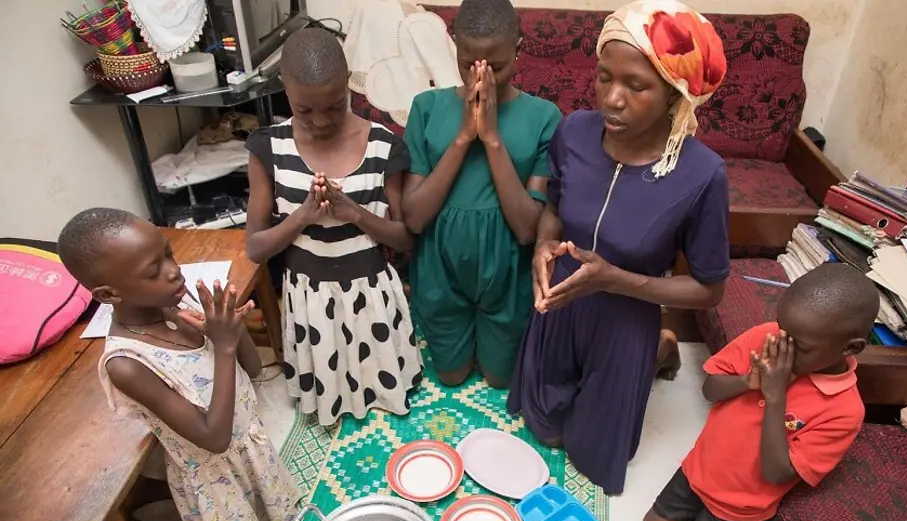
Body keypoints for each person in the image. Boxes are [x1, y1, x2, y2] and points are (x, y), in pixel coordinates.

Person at [507, 0, 730, 494]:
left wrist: (616, 280)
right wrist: (542, 248)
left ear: (675, 95)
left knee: (591, 453)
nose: (613, 99)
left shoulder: (702, 174)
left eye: (636, 86)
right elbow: (555, 210)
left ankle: (658, 349)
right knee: (547, 430)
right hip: (562, 302)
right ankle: (654, 352)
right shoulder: (574, 133)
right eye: (604, 77)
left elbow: (710, 290)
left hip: (627, 315)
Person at [57, 208, 301, 521]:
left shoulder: (171, 308)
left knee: (272, 516)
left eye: (168, 254)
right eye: (153, 271)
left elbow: (252, 371)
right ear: (108, 295)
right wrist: (221, 346)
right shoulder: (126, 364)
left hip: (247, 449)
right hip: (211, 470)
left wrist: (232, 330)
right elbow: (213, 438)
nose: (173, 271)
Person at [643, 263, 880, 521]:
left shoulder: (843, 411)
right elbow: (710, 389)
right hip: (700, 469)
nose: (782, 347)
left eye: (801, 345)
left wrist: (776, 396)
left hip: (737, 507)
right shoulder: (765, 337)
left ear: (850, 347)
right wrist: (748, 381)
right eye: (783, 331)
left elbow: (776, 474)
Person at [245, 27, 423, 426]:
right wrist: (303, 216)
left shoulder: (383, 144)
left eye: (334, 104)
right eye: (304, 110)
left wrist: (355, 213)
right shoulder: (267, 148)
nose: (321, 121)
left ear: (348, 86)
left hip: (370, 294)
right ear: (284, 90)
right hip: (309, 300)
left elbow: (406, 239)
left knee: (382, 397)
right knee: (330, 387)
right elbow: (256, 248)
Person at [402, 0, 563, 388]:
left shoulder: (545, 118)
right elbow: (415, 217)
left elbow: (528, 229)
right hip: (440, 270)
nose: (480, 78)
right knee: (452, 376)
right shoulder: (426, 108)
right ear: (455, 49)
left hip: (507, 272)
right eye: (467, 63)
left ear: (519, 50)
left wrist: (491, 138)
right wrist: (463, 136)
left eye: (496, 66)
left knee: (498, 379)